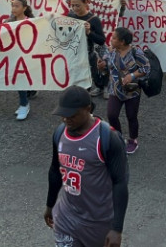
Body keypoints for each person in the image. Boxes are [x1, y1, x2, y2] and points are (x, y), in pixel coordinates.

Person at [45, 86, 128, 247]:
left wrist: (117, 229)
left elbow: (120, 182)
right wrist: (50, 205)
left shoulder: (107, 138)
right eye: (63, 115)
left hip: (98, 223)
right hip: (66, 218)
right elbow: (55, 170)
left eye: (72, 115)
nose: (66, 119)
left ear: (87, 109)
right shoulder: (60, 133)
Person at [100, 27, 150, 154]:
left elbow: (146, 67)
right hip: (115, 89)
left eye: (114, 38)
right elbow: (106, 67)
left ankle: (133, 140)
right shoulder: (111, 51)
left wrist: (132, 76)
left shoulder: (136, 52)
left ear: (122, 42)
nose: (111, 39)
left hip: (132, 90)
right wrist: (101, 66)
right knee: (112, 114)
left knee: (131, 116)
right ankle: (118, 138)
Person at [68, 0, 108, 99]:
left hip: (88, 54)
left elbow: (101, 40)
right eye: (73, 5)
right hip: (74, 55)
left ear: (86, 3)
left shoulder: (94, 20)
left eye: (78, 6)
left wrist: (89, 32)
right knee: (77, 83)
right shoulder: (70, 16)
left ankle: (102, 86)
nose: (75, 8)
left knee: (88, 82)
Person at [7, 0, 37, 120]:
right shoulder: (8, 21)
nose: (14, 8)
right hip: (14, 54)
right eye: (12, 6)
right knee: (18, 79)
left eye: (17, 6)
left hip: (27, 54)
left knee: (21, 79)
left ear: (24, 8)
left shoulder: (32, 21)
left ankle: (24, 104)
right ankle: (24, 103)